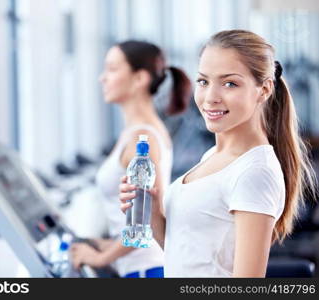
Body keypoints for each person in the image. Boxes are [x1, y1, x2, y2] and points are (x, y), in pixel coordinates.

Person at [119, 30, 317, 277]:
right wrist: (153, 211)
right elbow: (185, 255)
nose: (210, 97)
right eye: (203, 81)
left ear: (264, 90)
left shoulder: (254, 172)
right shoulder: (213, 156)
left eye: (229, 83)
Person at [70, 40, 191, 278]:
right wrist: (104, 244)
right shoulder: (137, 132)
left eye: (112, 69)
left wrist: (100, 257)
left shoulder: (141, 138)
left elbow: (143, 220)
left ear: (139, 79)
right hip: (140, 266)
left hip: (147, 270)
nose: (102, 78)